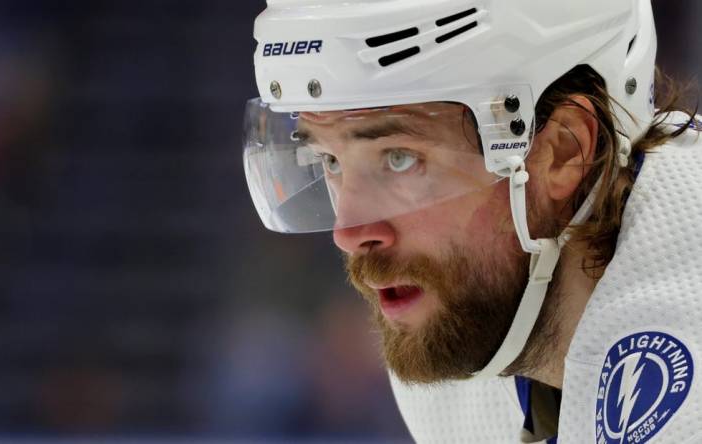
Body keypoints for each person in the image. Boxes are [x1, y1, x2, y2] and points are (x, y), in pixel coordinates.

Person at [241, 0, 701, 442]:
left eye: (400, 159)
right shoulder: (476, 330)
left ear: (562, 152)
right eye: (331, 160)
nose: (349, 232)